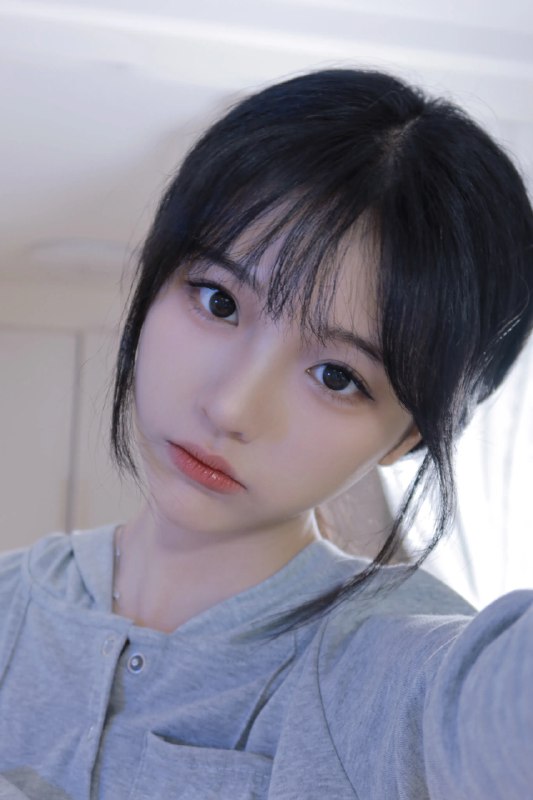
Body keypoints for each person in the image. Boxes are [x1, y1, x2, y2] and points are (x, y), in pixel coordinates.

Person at [0, 69, 532, 800]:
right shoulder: (11, 606)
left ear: (406, 439)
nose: (231, 408)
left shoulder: (385, 670)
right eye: (218, 301)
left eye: (337, 376)